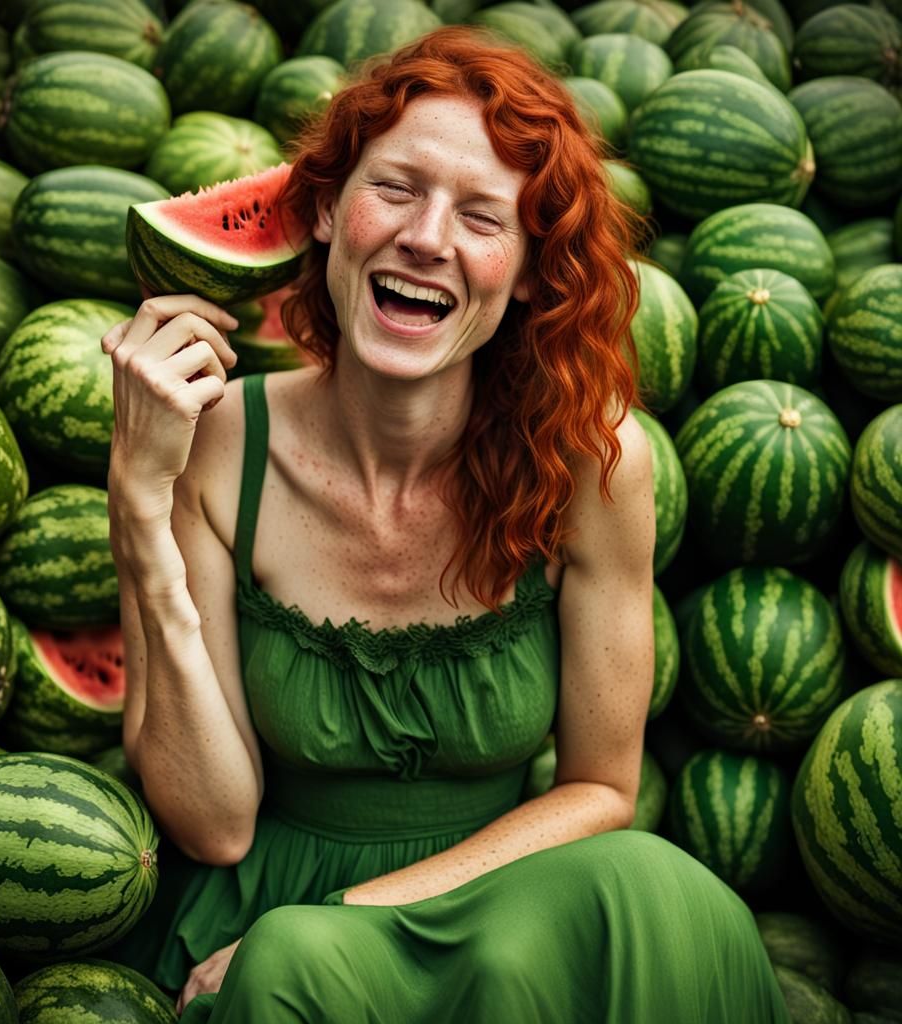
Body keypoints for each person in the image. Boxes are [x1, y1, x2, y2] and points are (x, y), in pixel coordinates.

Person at [96, 26, 789, 1023]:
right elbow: (215, 826)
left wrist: (360, 910)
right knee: (291, 959)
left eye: (481, 217)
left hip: (503, 909)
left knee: (660, 892)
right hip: (263, 928)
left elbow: (601, 790)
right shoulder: (219, 444)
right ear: (325, 210)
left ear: (525, 271)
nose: (427, 237)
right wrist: (139, 509)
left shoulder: (594, 465)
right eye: (396, 189)